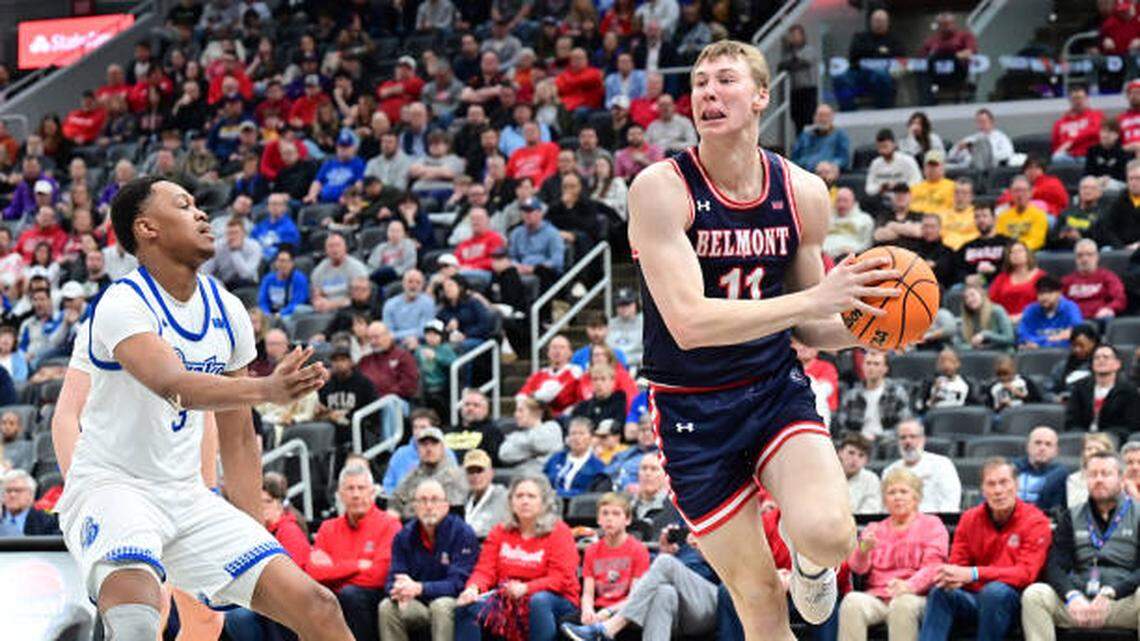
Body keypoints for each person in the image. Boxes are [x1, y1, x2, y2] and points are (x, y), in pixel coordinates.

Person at [626, 40, 915, 639]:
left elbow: (814, 324)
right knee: (758, 601)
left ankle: (812, 571)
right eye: (700, 82)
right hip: (690, 406)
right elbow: (689, 322)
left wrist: (877, 326)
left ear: (761, 96)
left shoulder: (802, 191)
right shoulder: (661, 188)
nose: (708, 92)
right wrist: (814, 301)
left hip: (771, 386)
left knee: (831, 533)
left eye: (725, 80)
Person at [53, 176, 351, 640]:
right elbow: (174, 386)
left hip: (187, 495)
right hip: (114, 487)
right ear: (147, 227)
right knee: (136, 623)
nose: (202, 214)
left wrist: (253, 537)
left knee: (319, 606)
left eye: (198, 206)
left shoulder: (227, 308)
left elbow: (237, 436)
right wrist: (268, 388)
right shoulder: (122, 303)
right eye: (184, 205)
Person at [917, 458, 1052, 641]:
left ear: (1017, 484)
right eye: (991, 484)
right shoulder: (969, 519)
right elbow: (958, 565)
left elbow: (1026, 573)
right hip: (974, 598)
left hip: (1013, 602)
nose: (998, 491)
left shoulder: (1036, 521)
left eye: (1004, 482)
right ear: (983, 489)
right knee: (941, 592)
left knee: (995, 592)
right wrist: (950, 576)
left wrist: (974, 573)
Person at [1020, 452, 1140, 640]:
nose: (1098, 479)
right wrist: (1072, 595)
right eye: (1093, 474)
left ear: (1121, 477)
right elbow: (1055, 566)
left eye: (1106, 474)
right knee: (1035, 595)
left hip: (1120, 602)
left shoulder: (1138, 513)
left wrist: (1113, 592)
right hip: (1080, 604)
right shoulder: (1071, 516)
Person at [455, 476, 580, 641]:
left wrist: (527, 588)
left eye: (531, 496)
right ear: (511, 502)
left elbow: (561, 578)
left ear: (543, 503)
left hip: (555, 600)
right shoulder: (499, 531)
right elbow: (485, 570)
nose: (524, 501)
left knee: (538, 601)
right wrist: (473, 589)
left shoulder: (559, 532)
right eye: (519, 496)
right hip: (508, 600)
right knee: (467, 606)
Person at [561, 521, 721, 641]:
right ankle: (606, 629)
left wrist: (706, 548)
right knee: (664, 592)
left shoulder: (722, 519)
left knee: (665, 562)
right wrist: (664, 550)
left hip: (713, 600)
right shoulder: (684, 520)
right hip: (681, 603)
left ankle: (609, 628)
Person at [839, 468, 948, 641]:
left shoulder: (932, 525)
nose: (897, 497)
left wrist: (909, 586)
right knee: (852, 601)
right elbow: (858, 569)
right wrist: (863, 549)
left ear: (916, 497)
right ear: (885, 500)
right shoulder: (874, 528)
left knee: (902, 604)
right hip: (878, 596)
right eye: (891, 492)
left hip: (916, 596)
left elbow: (934, 567)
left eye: (904, 491)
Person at [308, 463, 402, 641]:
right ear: (340, 494)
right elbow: (313, 573)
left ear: (372, 492)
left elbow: (379, 576)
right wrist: (357, 565)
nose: (356, 494)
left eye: (361, 488)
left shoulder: (389, 525)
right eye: (350, 489)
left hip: (373, 600)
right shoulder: (328, 528)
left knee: (348, 594)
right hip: (339, 599)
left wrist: (334, 571)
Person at [379, 479, 479, 641]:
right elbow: (392, 579)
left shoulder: (462, 533)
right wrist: (399, 590)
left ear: (446, 505)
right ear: (415, 506)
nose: (429, 506)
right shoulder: (404, 536)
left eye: (435, 500)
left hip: (452, 602)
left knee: (440, 606)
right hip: (417, 603)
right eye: (423, 500)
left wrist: (419, 588)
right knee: (388, 607)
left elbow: (458, 584)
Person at [223, 472, 314, 640]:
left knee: (239, 616)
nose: (262, 506)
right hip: (265, 594)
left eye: (267, 501)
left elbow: (296, 574)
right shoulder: (259, 530)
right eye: (258, 502)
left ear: (279, 504)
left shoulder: (289, 530)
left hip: (286, 597)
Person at [578, 493, 651, 626]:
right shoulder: (591, 550)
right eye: (605, 514)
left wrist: (608, 612)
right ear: (598, 519)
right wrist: (587, 610)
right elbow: (588, 594)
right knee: (567, 623)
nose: (609, 519)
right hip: (598, 608)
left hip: (624, 611)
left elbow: (634, 597)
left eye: (616, 514)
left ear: (627, 520)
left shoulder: (639, 549)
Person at [389, 427, 469, 519]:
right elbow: (394, 502)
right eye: (424, 444)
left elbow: (453, 510)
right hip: (411, 526)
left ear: (442, 448)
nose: (429, 449)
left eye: (434, 443)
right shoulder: (411, 476)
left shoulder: (457, 476)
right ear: (418, 449)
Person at [883, 419, 962, 514]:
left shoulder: (942, 465)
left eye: (912, 436)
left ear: (922, 439)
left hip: (935, 523)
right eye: (903, 438)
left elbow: (950, 505)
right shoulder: (889, 471)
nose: (908, 441)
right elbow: (885, 508)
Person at [833, 9, 903, 111]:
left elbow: (899, 56)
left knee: (881, 75)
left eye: (882, 21)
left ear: (887, 23)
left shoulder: (894, 40)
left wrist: (870, 52)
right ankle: (848, 111)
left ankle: (884, 110)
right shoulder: (860, 37)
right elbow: (854, 53)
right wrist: (880, 51)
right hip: (859, 74)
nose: (879, 24)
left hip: (884, 75)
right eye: (876, 21)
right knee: (840, 79)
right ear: (871, 22)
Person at [1065, 343, 1140, 438]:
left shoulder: (1129, 391)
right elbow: (1071, 422)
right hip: (1083, 439)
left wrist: (1103, 437)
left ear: (1117, 364)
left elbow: (1131, 426)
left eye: (1106, 357)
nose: (1101, 360)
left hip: (1115, 440)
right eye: (1097, 357)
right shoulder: (1080, 388)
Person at [835, 350, 912, 440]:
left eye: (876, 364)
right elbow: (842, 426)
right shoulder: (851, 396)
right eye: (868, 363)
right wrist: (858, 438)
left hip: (887, 443)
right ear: (863, 366)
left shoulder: (896, 393)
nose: (871, 368)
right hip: (858, 444)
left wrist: (880, 437)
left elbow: (904, 425)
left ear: (885, 369)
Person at [1061, 238, 1127, 321]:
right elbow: (1058, 302)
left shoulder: (1108, 276)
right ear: (1075, 259)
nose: (1084, 259)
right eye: (1080, 255)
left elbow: (1120, 299)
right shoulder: (1067, 281)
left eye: (1089, 254)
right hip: (1073, 320)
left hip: (1099, 318)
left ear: (1097, 257)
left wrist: (1109, 309)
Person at [544, 417, 606, 498]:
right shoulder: (556, 458)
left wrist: (559, 494)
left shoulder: (597, 467)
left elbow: (592, 495)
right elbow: (542, 481)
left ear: (591, 438)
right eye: (573, 433)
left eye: (581, 433)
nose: (577, 438)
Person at [498, 396, 562, 474]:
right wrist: (535, 453)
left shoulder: (552, 427)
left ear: (537, 413)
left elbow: (541, 444)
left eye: (521, 411)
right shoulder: (517, 434)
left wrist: (521, 448)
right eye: (516, 411)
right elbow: (504, 454)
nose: (515, 415)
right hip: (523, 477)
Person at [1018, 276, 1084, 349]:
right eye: (1040, 293)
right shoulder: (1030, 310)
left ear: (1059, 293)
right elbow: (1023, 336)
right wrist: (1052, 339)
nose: (1044, 297)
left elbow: (1075, 333)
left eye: (1049, 292)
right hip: (1035, 353)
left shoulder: (1070, 308)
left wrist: (1040, 344)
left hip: (1063, 353)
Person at [953, 203, 1010, 285]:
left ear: (994, 219)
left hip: (999, 284)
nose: (981, 220)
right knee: (955, 290)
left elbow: (1014, 267)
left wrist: (995, 270)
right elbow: (957, 268)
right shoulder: (967, 246)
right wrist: (966, 278)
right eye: (977, 217)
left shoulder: (1007, 243)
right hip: (971, 287)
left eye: (984, 216)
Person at [1015, 427, 1069, 514]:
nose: (1042, 448)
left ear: (1056, 451)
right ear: (1028, 447)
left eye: (1048, 444)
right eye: (1037, 443)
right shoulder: (1011, 469)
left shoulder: (1061, 475)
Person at [310, 233, 369, 313]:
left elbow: (358, 299)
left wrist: (332, 305)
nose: (334, 249)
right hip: (325, 310)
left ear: (345, 248)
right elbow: (316, 295)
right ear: (326, 250)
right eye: (331, 246)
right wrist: (318, 303)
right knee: (299, 310)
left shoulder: (357, 268)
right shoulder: (319, 270)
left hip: (349, 310)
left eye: (338, 245)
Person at [444, 389, 505, 465]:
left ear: (486, 410)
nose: (470, 408)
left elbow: (493, 461)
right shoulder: (447, 431)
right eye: (467, 404)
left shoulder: (493, 433)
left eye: (476, 405)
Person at [988, 241, 1044, 323]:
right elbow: (990, 303)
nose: (1016, 254)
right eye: (1012, 252)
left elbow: (1046, 303)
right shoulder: (1001, 278)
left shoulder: (1041, 276)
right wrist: (1004, 319)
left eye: (1020, 251)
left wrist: (1021, 317)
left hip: (1033, 321)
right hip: (1005, 323)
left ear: (1028, 254)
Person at [1050, 84, 1105, 164]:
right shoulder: (1060, 122)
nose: (1078, 101)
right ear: (1069, 100)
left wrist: (1072, 141)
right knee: (1056, 157)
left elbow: (1095, 131)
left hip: (1088, 155)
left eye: (1080, 98)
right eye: (1074, 99)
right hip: (1068, 157)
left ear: (1086, 98)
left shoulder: (1096, 115)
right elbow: (1056, 146)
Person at [461, 449, 509, 538]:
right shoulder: (463, 499)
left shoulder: (503, 498)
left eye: (480, 470)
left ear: (491, 473)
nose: (475, 476)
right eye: (471, 471)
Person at [1094, 159, 1140, 250]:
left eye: (1138, 178)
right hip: (1121, 248)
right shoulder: (1116, 201)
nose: (1134, 182)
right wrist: (1122, 247)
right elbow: (1107, 229)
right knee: (1105, 250)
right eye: (1131, 178)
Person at [956, 283, 1016, 350]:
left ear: (981, 295)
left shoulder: (997, 310)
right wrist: (972, 346)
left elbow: (1010, 339)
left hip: (1001, 353)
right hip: (979, 355)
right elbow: (960, 344)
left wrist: (986, 335)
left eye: (972, 295)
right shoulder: (967, 318)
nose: (970, 300)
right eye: (966, 298)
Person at [383, 270, 436, 346]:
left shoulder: (428, 303)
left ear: (422, 286)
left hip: (420, 344)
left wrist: (397, 336)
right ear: (403, 283)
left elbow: (423, 331)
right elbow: (387, 332)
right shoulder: (390, 304)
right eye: (410, 282)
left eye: (418, 282)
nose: (414, 286)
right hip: (394, 345)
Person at [792, 103, 850, 171]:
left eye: (827, 116)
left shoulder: (840, 135)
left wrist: (830, 165)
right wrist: (815, 165)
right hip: (809, 171)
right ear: (814, 118)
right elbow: (795, 160)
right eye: (820, 116)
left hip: (831, 171)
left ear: (832, 118)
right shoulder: (804, 136)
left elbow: (844, 159)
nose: (823, 119)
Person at [0, 470, 60, 535]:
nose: (12, 495)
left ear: (31, 494)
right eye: (8, 491)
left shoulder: (47, 521)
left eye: (18, 490)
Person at [996, 177, 1049, 251]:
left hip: (1031, 253)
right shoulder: (1002, 217)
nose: (1020, 194)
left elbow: (1037, 241)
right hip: (1008, 254)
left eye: (1024, 190)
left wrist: (1018, 249)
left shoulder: (1039, 215)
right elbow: (1000, 239)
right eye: (1016, 191)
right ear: (1011, 193)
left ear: (1030, 193)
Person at [865, 128, 921, 197]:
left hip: (904, 197)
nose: (883, 151)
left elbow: (918, 182)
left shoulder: (908, 161)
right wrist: (880, 188)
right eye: (880, 147)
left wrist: (900, 187)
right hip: (883, 199)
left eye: (885, 146)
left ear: (894, 145)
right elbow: (869, 188)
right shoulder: (875, 163)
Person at [257, 247, 310, 320]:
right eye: (279, 261)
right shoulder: (268, 279)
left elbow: (297, 302)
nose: (282, 264)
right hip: (271, 313)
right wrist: (266, 313)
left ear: (292, 263)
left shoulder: (299, 279)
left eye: (285, 261)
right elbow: (262, 300)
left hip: (290, 314)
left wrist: (281, 314)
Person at [1068, 433, 1117, 509]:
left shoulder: (1118, 477)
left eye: (1097, 449)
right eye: (1089, 449)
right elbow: (1074, 507)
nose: (1093, 452)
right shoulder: (1074, 479)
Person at [824, 188, 875, 258]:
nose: (841, 204)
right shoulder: (827, 218)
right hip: (824, 255)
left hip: (849, 256)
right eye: (838, 201)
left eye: (845, 201)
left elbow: (867, 244)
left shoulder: (865, 219)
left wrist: (855, 251)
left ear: (853, 202)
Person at [910, 149, 955, 218]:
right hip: (916, 221)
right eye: (929, 166)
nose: (931, 169)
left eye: (935, 166)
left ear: (942, 168)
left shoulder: (953, 187)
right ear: (924, 168)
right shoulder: (913, 188)